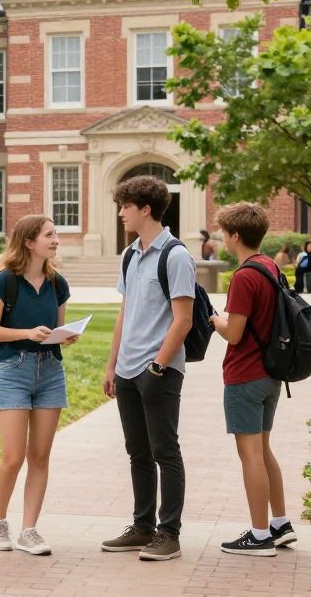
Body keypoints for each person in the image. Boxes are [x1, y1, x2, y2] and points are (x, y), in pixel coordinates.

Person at [101, 176, 195, 562]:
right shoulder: (130, 254)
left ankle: (168, 533)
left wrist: (157, 366)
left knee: (164, 451)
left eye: (126, 205)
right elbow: (126, 313)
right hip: (126, 371)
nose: (121, 211)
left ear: (145, 209)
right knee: (137, 452)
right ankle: (142, 527)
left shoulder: (175, 255)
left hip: (158, 370)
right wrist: (112, 365)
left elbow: (183, 319)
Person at [0, 215, 76, 556]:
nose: (56, 240)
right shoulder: (4, 282)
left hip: (51, 371)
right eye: (49, 235)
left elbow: (57, 328)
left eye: (56, 235)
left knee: (40, 456)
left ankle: (29, 530)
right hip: (13, 369)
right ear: (29, 242)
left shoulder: (58, 283)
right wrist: (26, 333)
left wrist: (65, 337)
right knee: (12, 456)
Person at [211, 203, 297, 555]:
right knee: (264, 450)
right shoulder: (271, 267)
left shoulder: (244, 276)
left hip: (244, 375)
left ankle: (259, 535)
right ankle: (280, 523)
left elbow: (234, 333)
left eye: (223, 233)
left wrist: (213, 318)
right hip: (271, 374)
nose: (222, 238)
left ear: (235, 236)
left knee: (250, 456)